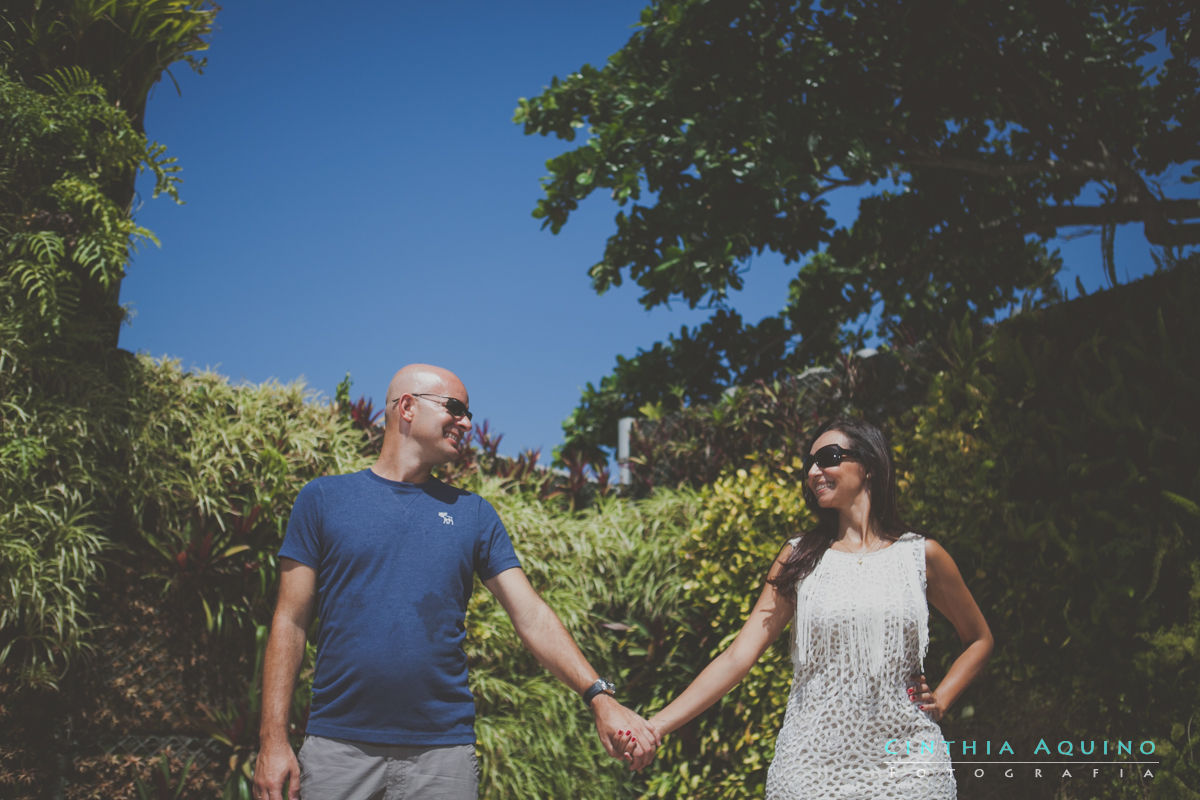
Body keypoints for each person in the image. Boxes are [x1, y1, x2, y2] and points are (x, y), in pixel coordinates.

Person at [253, 364, 657, 800]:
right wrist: (272, 742)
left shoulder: (473, 514)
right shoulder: (324, 500)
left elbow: (532, 614)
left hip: (442, 758)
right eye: (456, 408)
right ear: (407, 407)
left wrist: (600, 696)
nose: (467, 423)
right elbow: (289, 621)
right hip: (338, 749)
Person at [635, 417, 993, 799]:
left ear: (869, 466)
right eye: (809, 463)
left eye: (828, 457)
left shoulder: (921, 556)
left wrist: (941, 699)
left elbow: (979, 639)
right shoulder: (799, 557)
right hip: (810, 770)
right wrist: (655, 725)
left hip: (910, 771)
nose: (813, 471)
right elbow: (737, 657)